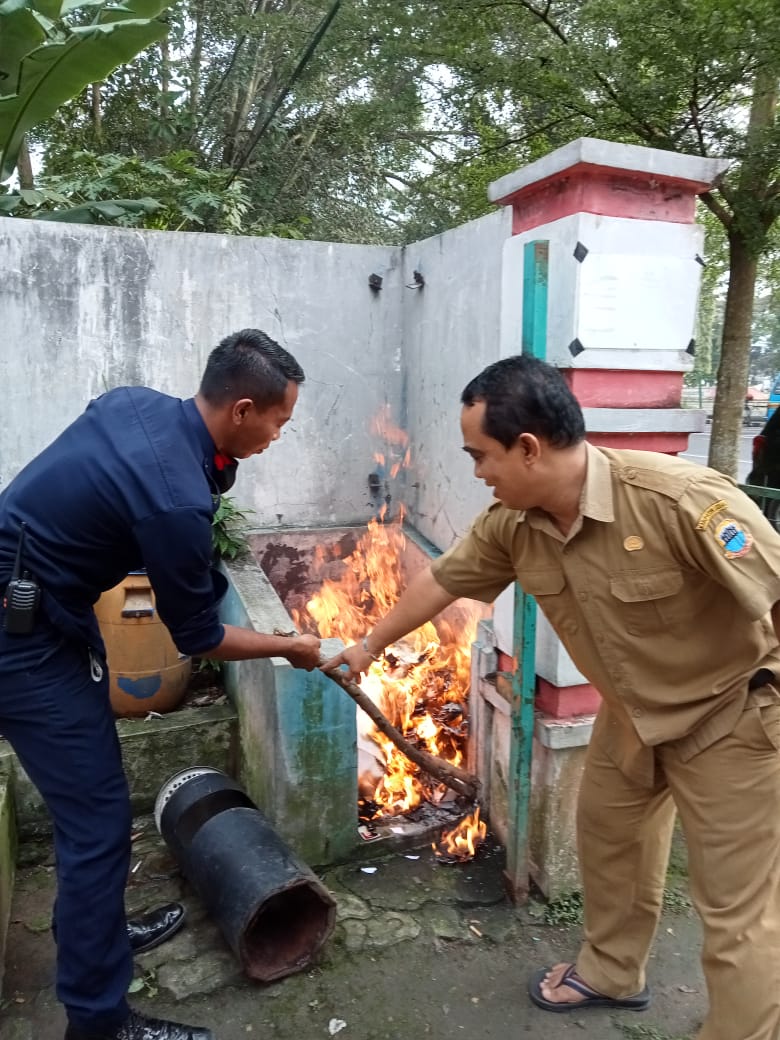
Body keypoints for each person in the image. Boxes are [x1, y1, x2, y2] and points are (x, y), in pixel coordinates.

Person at [323, 354, 780, 1040]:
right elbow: (443, 582)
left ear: (528, 448)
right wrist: (363, 647)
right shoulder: (516, 522)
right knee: (610, 844)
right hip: (631, 715)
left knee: (738, 913)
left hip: (731, 716)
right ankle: (613, 973)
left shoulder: (677, 499)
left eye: (481, 455)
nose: (477, 471)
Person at [0, 329, 321, 1040]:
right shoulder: (174, 496)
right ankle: (98, 1019)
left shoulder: (135, 406)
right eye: (279, 420)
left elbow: (157, 525)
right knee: (98, 824)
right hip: (19, 637)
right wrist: (289, 647)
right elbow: (199, 637)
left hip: (44, 607)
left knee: (95, 801)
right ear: (242, 409)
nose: (280, 433)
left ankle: (96, 936)